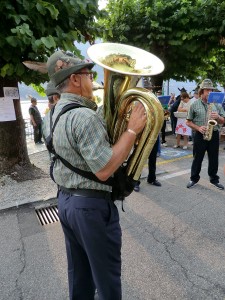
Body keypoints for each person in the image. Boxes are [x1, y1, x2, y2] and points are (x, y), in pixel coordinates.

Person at [42, 50, 147, 300]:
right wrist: (131, 130)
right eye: (89, 74)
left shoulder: (53, 114)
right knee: (107, 278)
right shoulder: (83, 116)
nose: (94, 79)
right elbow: (104, 169)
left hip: (66, 202)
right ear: (76, 79)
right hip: (90, 208)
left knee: (79, 275)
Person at [186, 78, 225, 190]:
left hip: (214, 133)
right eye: (207, 90)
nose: (209, 92)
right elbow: (188, 122)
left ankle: (214, 179)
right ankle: (194, 179)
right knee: (198, 158)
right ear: (201, 91)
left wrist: (218, 117)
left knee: (214, 158)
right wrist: (198, 128)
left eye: (211, 90)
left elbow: (223, 120)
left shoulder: (217, 105)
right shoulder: (194, 104)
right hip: (200, 134)